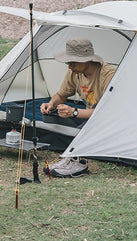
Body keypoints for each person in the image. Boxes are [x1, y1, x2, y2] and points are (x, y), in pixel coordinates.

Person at [40, 38, 116, 178]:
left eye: (72, 62)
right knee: (62, 123)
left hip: (111, 120)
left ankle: (79, 163)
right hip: (90, 117)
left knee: (81, 127)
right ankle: (69, 158)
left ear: (86, 60)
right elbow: (62, 94)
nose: (69, 66)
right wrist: (51, 104)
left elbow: (108, 112)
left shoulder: (108, 75)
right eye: (68, 62)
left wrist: (74, 112)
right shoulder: (75, 72)